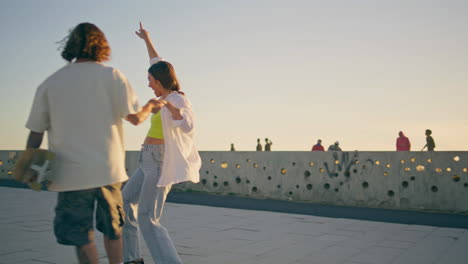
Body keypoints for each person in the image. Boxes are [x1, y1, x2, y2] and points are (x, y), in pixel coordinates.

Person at [25, 23, 157, 264]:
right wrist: (151, 106)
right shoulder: (112, 76)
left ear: (71, 45)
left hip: (69, 174)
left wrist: (30, 166)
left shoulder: (50, 83)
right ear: (102, 46)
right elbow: (136, 118)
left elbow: (35, 133)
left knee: (80, 234)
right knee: (113, 229)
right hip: (107, 170)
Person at [122, 23, 202, 264]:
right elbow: (157, 60)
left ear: (160, 81)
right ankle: (133, 259)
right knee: (123, 202)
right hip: (146, 160)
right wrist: (146, 39)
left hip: (160, 162)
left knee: (147, 217)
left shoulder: (177, 99)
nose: (148, 84)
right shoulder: (165, 95)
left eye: (150, 80)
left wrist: (175, 113)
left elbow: (188, 124)